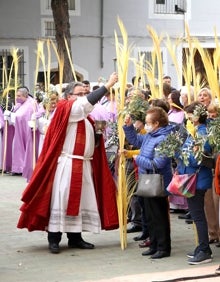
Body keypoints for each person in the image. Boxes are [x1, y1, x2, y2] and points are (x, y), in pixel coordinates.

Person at [17, 73, 119, 254]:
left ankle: (75, 238)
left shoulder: (86, 117)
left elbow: (92, 142)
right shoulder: (66, 108)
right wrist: (108, 85)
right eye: (79, 94)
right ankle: (54, 239)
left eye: (84, 93)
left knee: (81, 202)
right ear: (68, 96)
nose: (82, 97)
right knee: (61, 200)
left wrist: (96, 135)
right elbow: (83, 105)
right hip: (67, 163)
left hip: (84, 164)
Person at [123, 107, 175, 259]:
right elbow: (135, 140)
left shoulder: (164, 138)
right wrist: (128, 127)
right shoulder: (150, 135)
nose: (146, 125)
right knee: (150, 216)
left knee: (159, 217)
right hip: (147, 181)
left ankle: (163, 247)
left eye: (148, 122)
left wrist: (136, 158)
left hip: (157, 183)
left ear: (157, 123)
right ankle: (153, 244)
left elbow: (157, 163)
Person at [176, 102, 213, 264]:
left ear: (197, 116)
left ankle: (204, 250)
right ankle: (202, 247)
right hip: (190, 178)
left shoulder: (202, 133)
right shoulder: (194, 132)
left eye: (189, 115)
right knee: (197, 215)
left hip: (197, 180)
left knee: (198, 216)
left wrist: (178, 151)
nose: (187, 118)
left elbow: (195, 159)